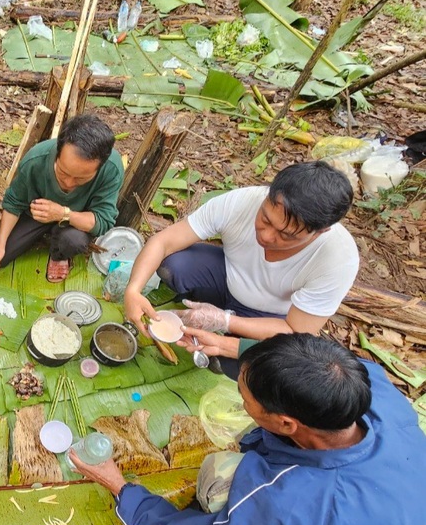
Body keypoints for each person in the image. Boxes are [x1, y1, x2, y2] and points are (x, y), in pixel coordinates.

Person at [72, 333, 426, 525]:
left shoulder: (290, 502)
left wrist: (121, 488)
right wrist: (226, 343)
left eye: (245, 399)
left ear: (287, 423)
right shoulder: (365, 384)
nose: (242, 403)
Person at [123, 161, 358, 376]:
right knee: (174, 266)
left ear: (321, 231)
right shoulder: (241, 202)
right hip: (226, 278)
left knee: (249, 366)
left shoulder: (337, 257)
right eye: (265, 219)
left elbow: (296, 330)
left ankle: (229, 333)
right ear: (270, 193)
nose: (265, 235)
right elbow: (163, 242)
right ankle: (215, 312)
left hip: (268, 316)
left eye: (285, 235)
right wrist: (133, 290)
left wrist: (224, 322)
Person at [0, 113, 123, 282]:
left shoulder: (111, 168)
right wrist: (0, 244)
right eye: (63, 172)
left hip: (76, 220)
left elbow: (102, 222)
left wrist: (63, 214)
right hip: (36, 213)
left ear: (100, 167)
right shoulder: (36, 160)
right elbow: (13, 203)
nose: (69, 183)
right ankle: (42, 234)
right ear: (57, 152)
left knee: (73, 241)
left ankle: (59, 254)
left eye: (81, 179)